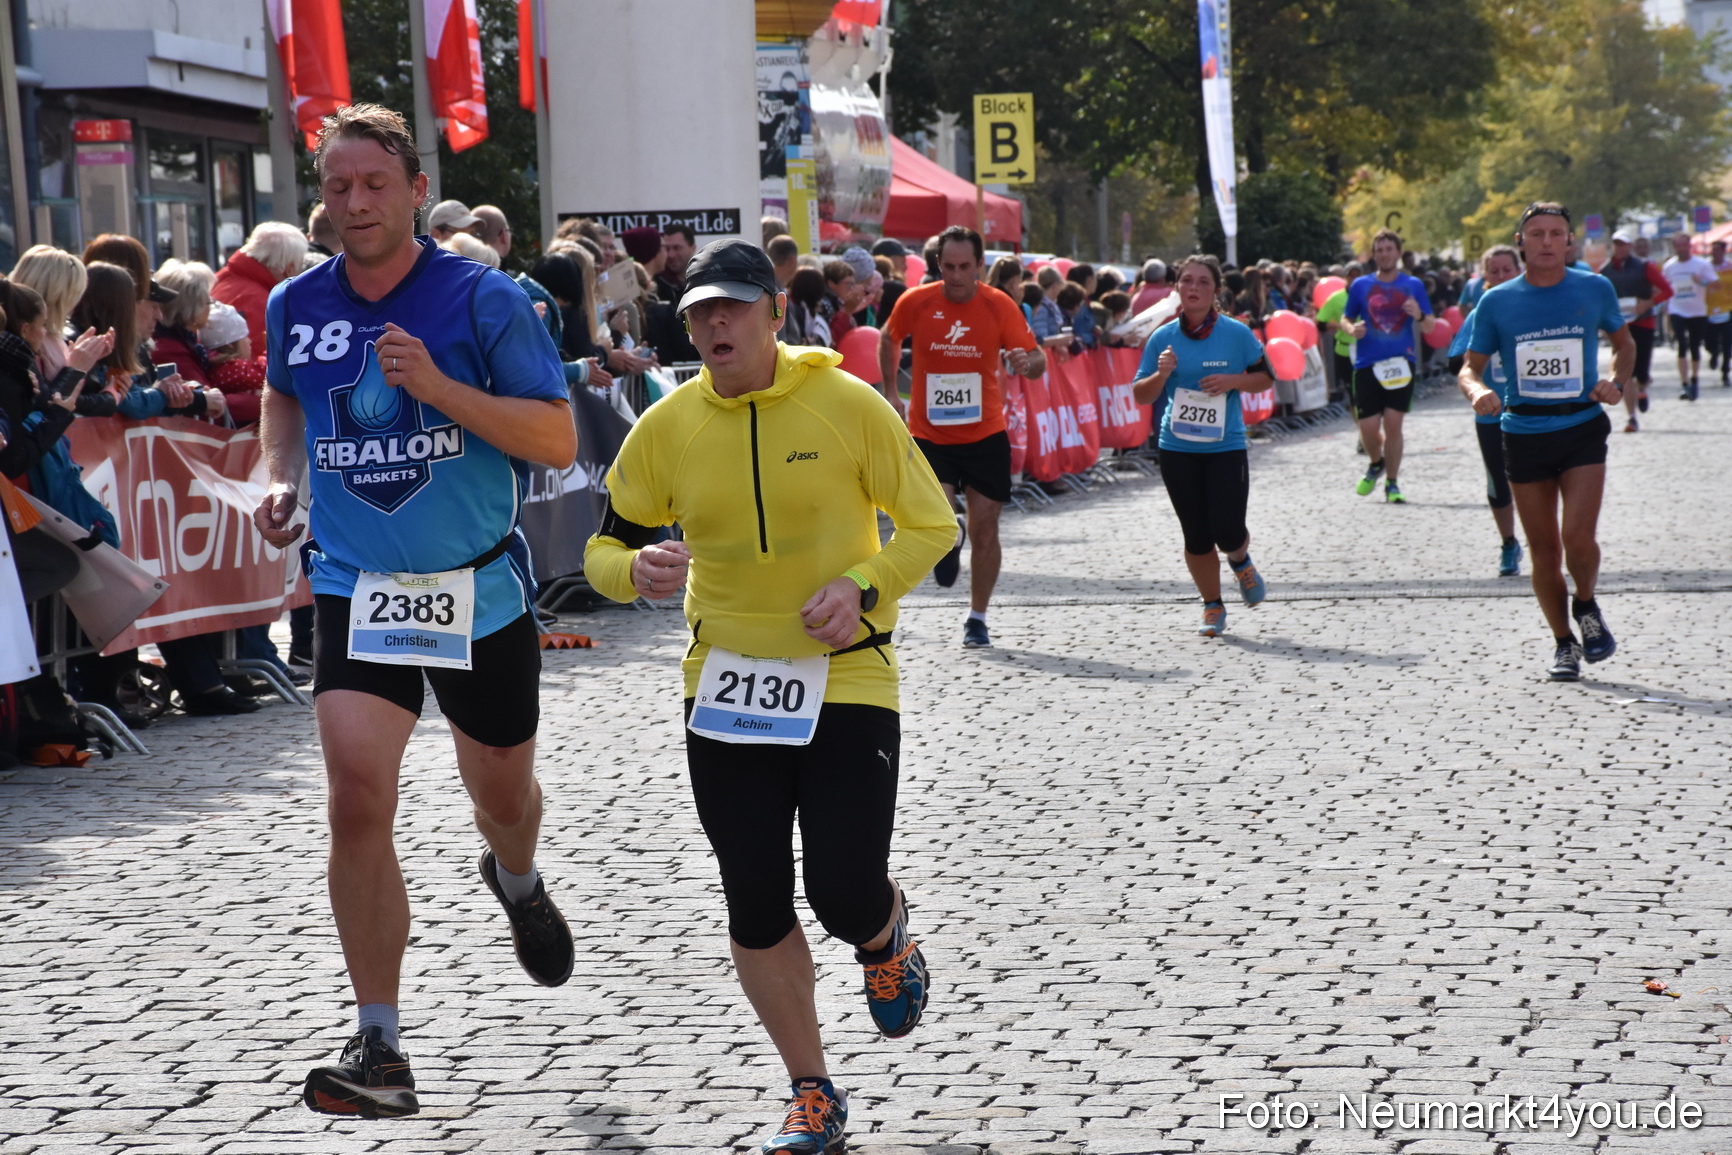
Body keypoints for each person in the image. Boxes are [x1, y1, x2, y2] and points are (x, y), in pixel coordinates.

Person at [582, 237, 953, 1155]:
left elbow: (931, 524)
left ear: (773, 314)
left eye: (733, 307)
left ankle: (883, 931)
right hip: (728, 689)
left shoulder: (846, 404)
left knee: (840, 889)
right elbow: (599, 555)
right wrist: (639, 570)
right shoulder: (667, 427)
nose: (713, 323)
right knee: (753, 894)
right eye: (700, 310)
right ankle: (811, 1088)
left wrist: (862, 586)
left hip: (848, 674)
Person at [251, 102, 578, 1118]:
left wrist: (437, 385)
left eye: (373, 185)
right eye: (338, 187)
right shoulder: (295, 303)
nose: (354, 204)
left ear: (415, 192)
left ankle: (517, 879)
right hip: (357, 584)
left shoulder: (484, 300)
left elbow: (557, 439)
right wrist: (278, 474)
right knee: (355, 795)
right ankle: (380, 1039)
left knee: (502, 798)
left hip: (475, 589)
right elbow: (283, 395)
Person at [1460, 202, 1632, 682]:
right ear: (1521, 242)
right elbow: (1470, 366)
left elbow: (1625, 343)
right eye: (1536, 234)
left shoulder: (1593, 287)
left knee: (1578, 538)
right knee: (1545, 551)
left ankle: (1586, 604)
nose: (1547, 242)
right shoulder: (1496, 301)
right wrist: (1478, 391)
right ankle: (1563, 645)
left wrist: (1615, 383)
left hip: (1580, 425)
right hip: (1523, 430)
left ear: (1570, 242)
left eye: (1556, 233)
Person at [876, 225, 1045, 648]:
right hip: (930, 434)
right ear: (938, 265)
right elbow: (888, 337)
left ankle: (977, 617)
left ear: (980, 266)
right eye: (947, 266)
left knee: (987, 528)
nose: (955, 275)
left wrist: (1028, 363)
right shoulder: (917, 301)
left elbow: (1038, 357)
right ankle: (950, 538)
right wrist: (890, 392)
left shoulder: (998, 305)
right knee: (938, 514)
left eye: (964, 267)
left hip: (985, 433)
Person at [1130, 255, 1273, 636]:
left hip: (1225, 446)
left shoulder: (1236, 334)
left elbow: (1265, 377)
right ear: (1177, 288)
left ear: (1216, 290)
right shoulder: (1163, 338)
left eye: (1203, 282)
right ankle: (1212, 605)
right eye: (1187, 281)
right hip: (1177, 448)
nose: (1194, 288)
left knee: (1226, 529)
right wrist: (1161, 374)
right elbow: (1141, 396)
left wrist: (1232, 381)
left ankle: (1240, 561)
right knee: (1195, 534)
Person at [1342, 228, 1436, 503]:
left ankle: (1392, 483)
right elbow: (1347, 319)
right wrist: (1352, 328)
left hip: (1401, 363)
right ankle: (1375, 462)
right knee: (1368, 427)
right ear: (1374, 254)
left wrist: (1418, 314)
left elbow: (1431, 324)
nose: (1384, 254)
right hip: (1367, 364)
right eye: (1379, 250)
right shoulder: (1361, 285)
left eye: (1389, 249)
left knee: (1393, 424)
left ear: (1398, 252)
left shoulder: (1413, 285)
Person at [1448, 244, 1525, 577]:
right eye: (1493, 271)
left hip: (1534, 409)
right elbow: (1456, 361)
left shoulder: (1532, 307)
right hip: (1491, 411)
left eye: (1507, 269)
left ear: (1519, 271)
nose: (1500, 276)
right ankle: (1509, 543)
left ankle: (1548, 543)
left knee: (1540, 481)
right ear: (1483, 278)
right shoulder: (1479, 313)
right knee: (1498, 480)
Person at [1598, 228, 1670, 431]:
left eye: (1623, 244)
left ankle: (1643, 387)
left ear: (1630, 247)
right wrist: (1602, 323)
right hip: (1619, 328)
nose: (1620, 248)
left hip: (1643, 324)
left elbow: (1667, 290)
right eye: (1616, 244)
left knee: (1642, 373)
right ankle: (1632, 417)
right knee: (1624, 372)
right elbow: (1599, 299)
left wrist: (1647, 304)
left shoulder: (1644, 267)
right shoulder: (1604, 272)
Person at [212, 221, 309, 352]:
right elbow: (266, 364)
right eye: (300, 265)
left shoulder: (217, 279)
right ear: (289, 268)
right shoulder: (266, 305)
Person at [1660, 231, 1718, 401]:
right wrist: (1664, 306)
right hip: (1677, 309)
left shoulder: (1701, 265)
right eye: (1678, 245)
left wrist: (1702, 282)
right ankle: (1684, 383)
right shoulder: (1669, 266)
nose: (1681, 248)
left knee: (1694, 346)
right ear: (1674, 247)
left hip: (1697, 310)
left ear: (1689, 245)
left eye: (1684, 244)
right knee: (1681, 344)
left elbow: (1716, 284)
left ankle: (1694, 378)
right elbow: (1665, 287)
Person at [1703, 238, 1732, 388]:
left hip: (1728, 308)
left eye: (1717, 250)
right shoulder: (1705, 266)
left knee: (1728, 343)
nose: (1714, 253)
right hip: (1708, 310)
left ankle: (1725, 372)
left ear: (1723, 251)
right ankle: (1714, 352)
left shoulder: (1729, 267)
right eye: (1712, 250)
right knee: (1709, 341)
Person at [655, 223, 696, 303]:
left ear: (692, 248)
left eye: (677, 248)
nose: (671, 255)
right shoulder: (656, 285)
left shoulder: (704, 281)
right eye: (667, 249)